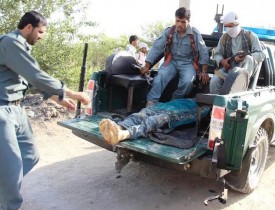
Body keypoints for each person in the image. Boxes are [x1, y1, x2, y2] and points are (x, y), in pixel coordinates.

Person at [0, 11, 90, 210]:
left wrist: (58, 98)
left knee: (30, 155)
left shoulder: (21, 47)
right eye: (40, 32)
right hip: (2, 110)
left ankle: (4, 190)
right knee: (11, 169)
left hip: (17, 109)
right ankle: (8, 204)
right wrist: (73, 94)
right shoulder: (9, 43)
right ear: (29, 27)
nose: (41, 36)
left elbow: (26, 80)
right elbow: (36, 76)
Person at [140, 7, 209, 107]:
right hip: (171, 61)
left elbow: (203, 51)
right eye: (177, 21)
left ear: (188, 21)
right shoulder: (169, 31)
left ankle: (174, 103)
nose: (179, 24)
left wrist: (204, 71)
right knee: (159, 78)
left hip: (187, 63)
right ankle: (151, 103)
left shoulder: (195, 33)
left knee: (187, 82)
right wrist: (147, 66)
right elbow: (156, 47)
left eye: (183, 22)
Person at [99, 98, 210, 145]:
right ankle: (117, 128)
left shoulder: (205, 107)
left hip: (172, 114)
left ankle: (124, 134)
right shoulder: (192, 98)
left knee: (153, 121)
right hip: (163, 107)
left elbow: (193, 114)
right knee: (140, 115)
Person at [210, 11, 265, 94]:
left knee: (249, 58)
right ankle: (216, 104)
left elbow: (261, 54)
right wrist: (222, 61)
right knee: (214, 81)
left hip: (246, 70)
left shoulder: (250, 36)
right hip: (229, 69)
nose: (228, 29)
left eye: (230, 26)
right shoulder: (224, 38)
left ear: (237, 24)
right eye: (226, 26)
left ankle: (240, 84)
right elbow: (217, 54)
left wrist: (244, 57)